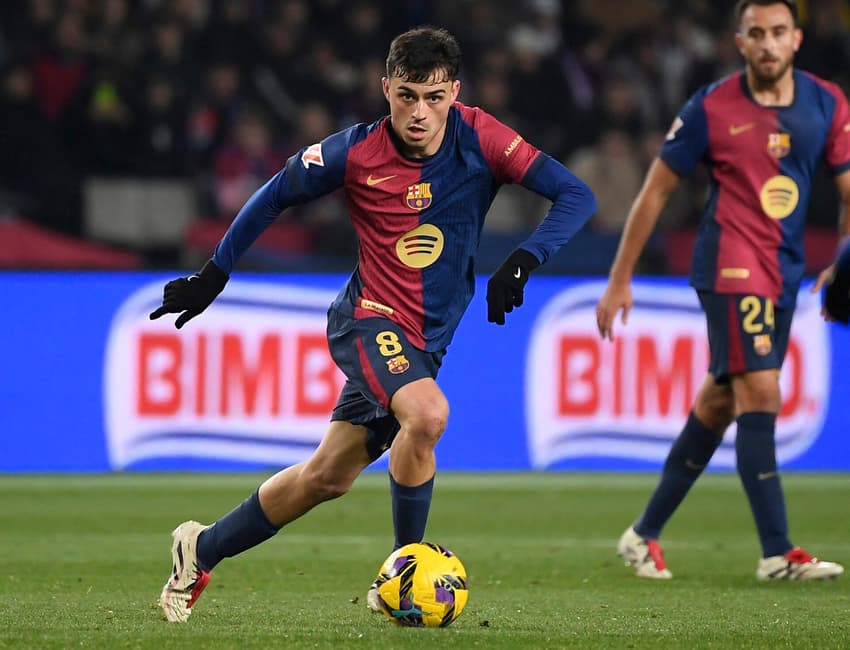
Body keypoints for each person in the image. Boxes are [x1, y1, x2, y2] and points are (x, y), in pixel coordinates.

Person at [150, 25, 597, 622]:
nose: (420, 112)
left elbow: (575, 194)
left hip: (425, 341)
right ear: (385, 89)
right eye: (407, 95)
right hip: (368, 321)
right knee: (429, 414)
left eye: (434, 98)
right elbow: (274, 194)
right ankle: (402, 575)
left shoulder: (481, 136)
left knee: (326, 477)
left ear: (454, 93)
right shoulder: (354, 152)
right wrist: (215, 274)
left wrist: (523, 260)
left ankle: (199, 549)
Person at [595, 0, 850, 581]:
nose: (767, 44)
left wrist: (841, 264)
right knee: (760, 389)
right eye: (756, 33)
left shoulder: (827, 103)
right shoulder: (711, 106)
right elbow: (656, 191)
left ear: (797, 39)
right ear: (740, 41)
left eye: (778, 33)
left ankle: (643, 534)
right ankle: (778, 552)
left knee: (718, 402)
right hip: (730, 266)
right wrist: (620, 277)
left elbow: (848, 192)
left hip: (784, 268)